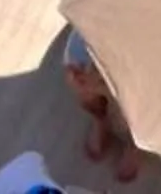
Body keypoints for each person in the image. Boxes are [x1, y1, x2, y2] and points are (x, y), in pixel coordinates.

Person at [59, 27, 142, 182]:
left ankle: (133, 142)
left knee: (133, 99)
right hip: (104, 30)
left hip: (140, 43)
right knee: (80, 81)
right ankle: (100, 117)